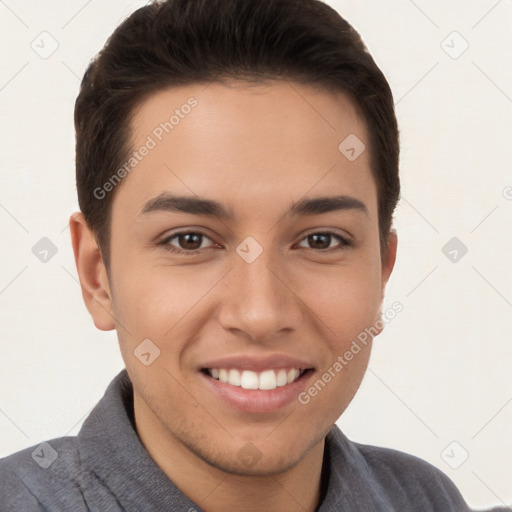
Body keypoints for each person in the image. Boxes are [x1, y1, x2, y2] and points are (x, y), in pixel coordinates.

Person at [0, 0, 476, 510]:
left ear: (382, 272)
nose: (260, 314)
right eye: (190, 240)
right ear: (98, 276)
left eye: (321, 240)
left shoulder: (425, 499)